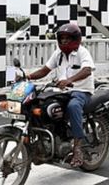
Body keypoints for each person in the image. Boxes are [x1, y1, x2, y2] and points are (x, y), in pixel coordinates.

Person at [19, 22, 95, 167]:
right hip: (62, 91)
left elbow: (87, 70)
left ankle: (78, 147)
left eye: (68, 38)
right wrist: (27, 77)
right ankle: (49, 138)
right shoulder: (57, 54)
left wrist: (69, 80)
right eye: (62, 38)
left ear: (76, 39)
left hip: (81, 91)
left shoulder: (82, 52)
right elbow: (44, 70)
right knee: (42, 105)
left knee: (73, 106)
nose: (64, 41)